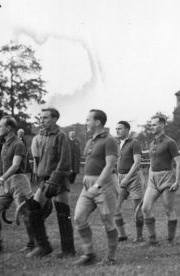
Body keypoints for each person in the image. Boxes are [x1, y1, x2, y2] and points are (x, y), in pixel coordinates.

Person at [25, 108, 75, 258]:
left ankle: (68, 250)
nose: (42, 120)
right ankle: (43, 246)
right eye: (41, 117)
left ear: (54, 119)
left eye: (46, 117)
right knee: (33, 207)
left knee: (63, 212)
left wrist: (54, 181)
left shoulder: (61, 136)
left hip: (58, 180)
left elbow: (65, 160)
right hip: (45, 179)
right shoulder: (43, 136)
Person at [0, 116, 34, 253]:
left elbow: (16, 166)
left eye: (0, 126)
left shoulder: (18, 143)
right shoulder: (4, 144)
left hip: (19, 181)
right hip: (5, 184)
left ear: (9, 128)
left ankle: (33, 244)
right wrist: (2, 180)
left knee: (25, 214)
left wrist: (1, 178)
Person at [73, 109, 119, 265]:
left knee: (108, 221)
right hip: (88, 186)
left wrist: (97, 184)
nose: (86, 122)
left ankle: (110, 258)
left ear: (97, 122)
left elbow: (110, 165)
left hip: (103, 185)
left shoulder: (110, 140)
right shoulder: (90, 140)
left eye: (88, 120)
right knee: (79, 218)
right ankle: (89, 254)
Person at [141, 114, 180, 246]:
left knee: (168, 210)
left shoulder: (170, 142)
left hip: (166, 178)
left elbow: (179, 163)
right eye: (151, 125)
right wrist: (148, 178)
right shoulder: (152, 143)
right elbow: (152, 162)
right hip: (153, 179)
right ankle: (153, 240)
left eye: (154, 124)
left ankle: (171, 240)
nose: (151, 127)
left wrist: (177, 182)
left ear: (162, 125)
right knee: (145, 208)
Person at [114, 121, 145, 243]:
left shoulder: (134, 143)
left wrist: (127, 178)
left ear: (127, 129)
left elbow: (137, 163)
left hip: (133, 178)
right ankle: (122, 235)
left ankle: (139, 236)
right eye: (116, 129)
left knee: (137, 209)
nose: (117, 131)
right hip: (120, 178)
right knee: (115, 207)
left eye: (120, 129)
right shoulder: (116, 143)